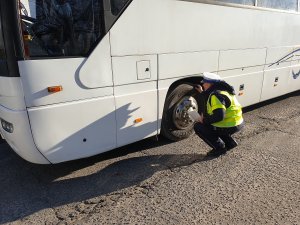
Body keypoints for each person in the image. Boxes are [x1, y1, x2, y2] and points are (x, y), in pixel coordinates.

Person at [193, 72, 244, 157]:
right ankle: (230, 143)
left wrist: (204, 120)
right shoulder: (224, 91)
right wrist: (202, 92)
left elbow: (219, 116)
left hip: (229, 125)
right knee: (212, 123)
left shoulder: (216, 95)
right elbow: (211, 96)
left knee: (199, 126)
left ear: (210, 84)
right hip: (236, 123)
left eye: (204, 83)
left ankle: (219, 148)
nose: (203, 84)